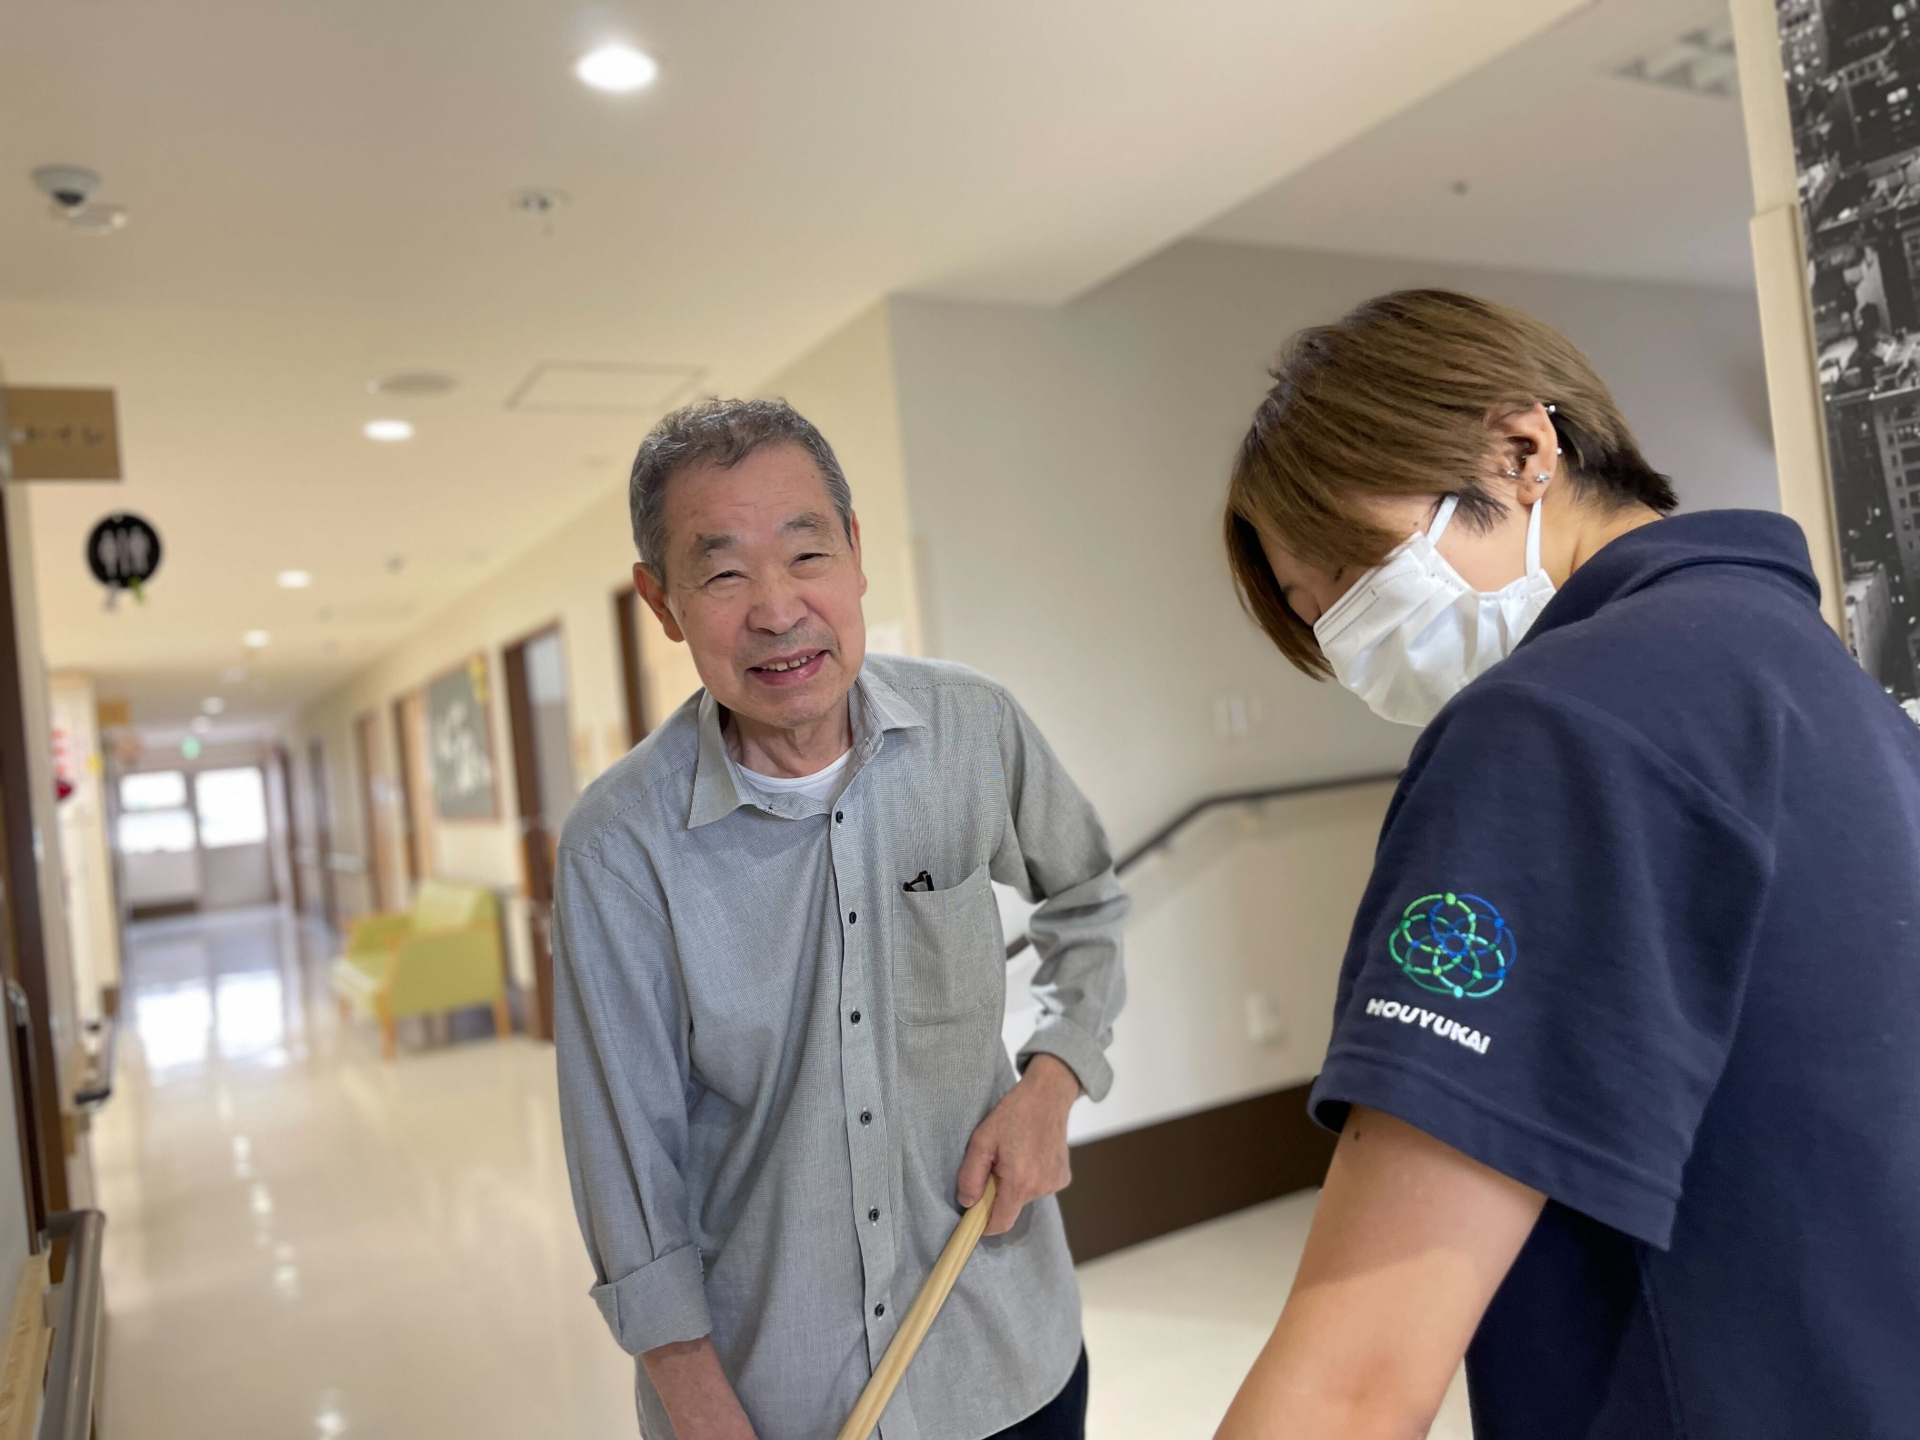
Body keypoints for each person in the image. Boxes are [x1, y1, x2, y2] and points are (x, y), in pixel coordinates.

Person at [1212, 289, 1920, 1438]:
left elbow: (1353, 1385)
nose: (1345, 630)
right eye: (1312, 614)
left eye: (1346, 568)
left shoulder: (1551, 726)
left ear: (1521, 449)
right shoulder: (1806, 670)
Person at [553, 397, 1127, 1440]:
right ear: (662, 602)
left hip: (1007, 1356)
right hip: (777, 1399)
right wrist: (699, 1407)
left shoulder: (970, 729)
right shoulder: (618, 846)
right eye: (723, 573)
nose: (778, 610)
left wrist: (1053, 1080)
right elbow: (625, 1160)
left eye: (806, 552)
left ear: (856, 554)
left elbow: (1086, 895)